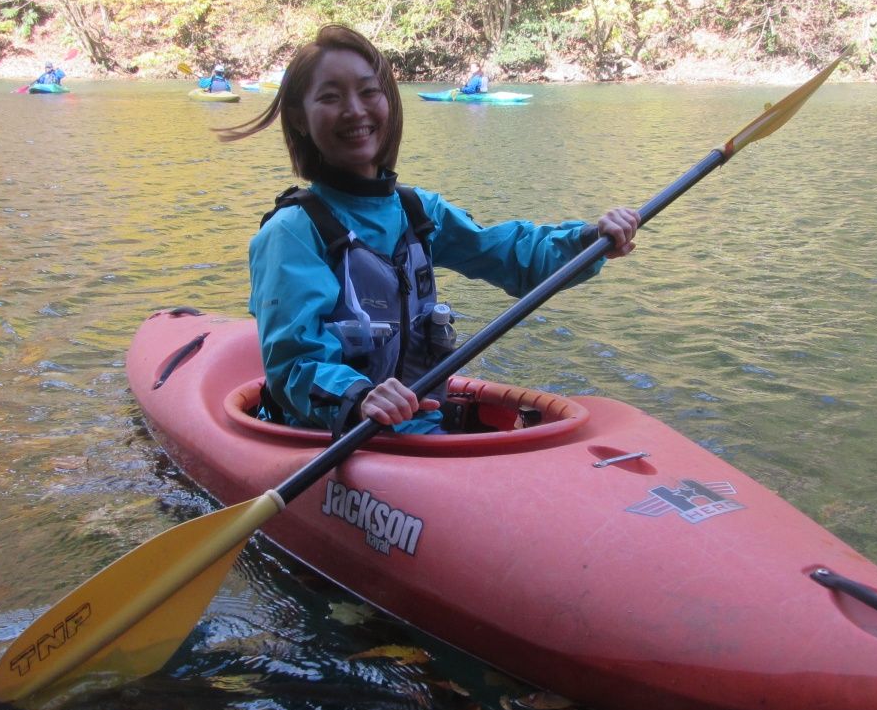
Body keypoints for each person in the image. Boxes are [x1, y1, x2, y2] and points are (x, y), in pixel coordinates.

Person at [218, 25, 639, 436]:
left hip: (422, 428)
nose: (355, 110)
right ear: (300, 118)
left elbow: (510, 255)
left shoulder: (416, 211)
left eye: (368, 92)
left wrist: (587, 241)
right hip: (340, 436)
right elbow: (293, 364)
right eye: (331, 97)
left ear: (388, 101)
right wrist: (359, 397)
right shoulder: (292, 233)